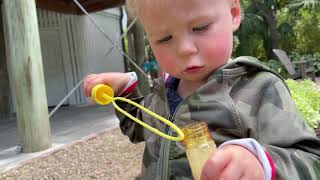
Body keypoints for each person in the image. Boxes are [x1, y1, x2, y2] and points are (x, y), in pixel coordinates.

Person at [83, 0, 320, 179]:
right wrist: (124, 90)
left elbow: (311, 159)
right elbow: (137, 128)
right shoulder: (164, 91)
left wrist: (262, 164)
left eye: (200, 27)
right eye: (164, 38)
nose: (184, 49)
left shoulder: (257, 88)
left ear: (233, 14)